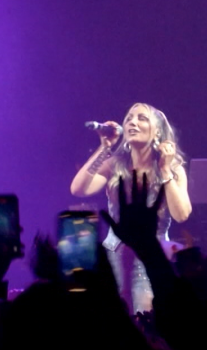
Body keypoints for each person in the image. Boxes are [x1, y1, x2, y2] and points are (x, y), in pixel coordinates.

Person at [70, 103, 192, 312]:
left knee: (146, 321)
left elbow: (181, 215)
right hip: (114, 257)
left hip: (150, 258)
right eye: (129, 119)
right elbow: (78, 189)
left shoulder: (173, 169)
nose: (132, 122)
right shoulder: (114, 165)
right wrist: (104, 148)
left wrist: (164, 170)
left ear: (157, 131)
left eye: (141, 118)